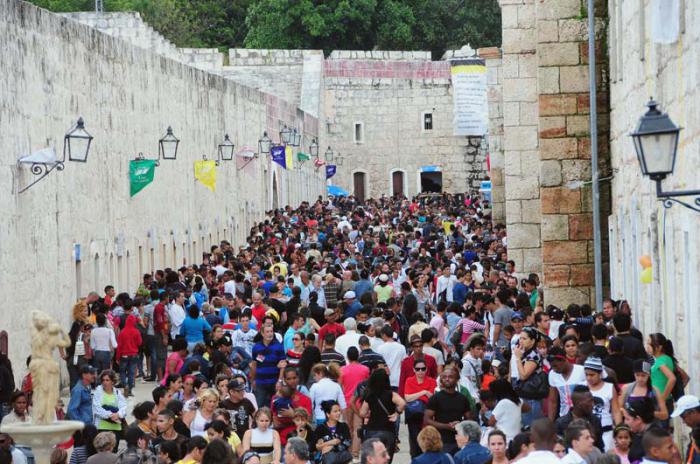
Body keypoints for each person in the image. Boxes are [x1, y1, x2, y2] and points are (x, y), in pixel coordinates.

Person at [359, 368, 406, 460]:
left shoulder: (370, 396)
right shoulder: (391, 394)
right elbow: (402, 403)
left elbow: (362, 413)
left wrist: (369, 414)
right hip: (388, 430)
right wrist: (397, 413)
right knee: (386, 459)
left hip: (372, 430)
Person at [425, 367, 472, 454]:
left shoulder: (462, 398)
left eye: (450, 377)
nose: (447, 379)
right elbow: (427, 420)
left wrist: (460, 425)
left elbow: (469, 420)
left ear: (457, 379)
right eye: (444, 377)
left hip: (460, 440)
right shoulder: (435, 398)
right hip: (441, 441)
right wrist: (446, 426)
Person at [583, 356, 621, 451]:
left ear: (600, 373)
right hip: (586, 432)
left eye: (592, 375)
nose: (588, 378)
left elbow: (616, 411)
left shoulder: (609, 387)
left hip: (606, 432)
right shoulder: (581, 386)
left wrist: (619, 429)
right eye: (586, 374)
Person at [403, 358, 438, 457]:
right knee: (414, 440)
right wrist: (424, 392)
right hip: (413, 415)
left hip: (427, 415)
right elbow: (407, 398)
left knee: (427, 439)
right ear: (413, 370)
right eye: (417, 369)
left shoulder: (432, 381)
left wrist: (417, 395)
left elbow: (432, 397)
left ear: (426, 369)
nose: (420, 371)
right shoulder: (409, 380)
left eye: (423, 369)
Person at [555, 385, 604, 452]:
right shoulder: (561, 423)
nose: (593, 404)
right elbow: (559, 448)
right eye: (589, 401)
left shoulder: (595, 420)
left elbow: (600, 446)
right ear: (578, 404)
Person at [340, 347, 369, 458]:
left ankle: (348, 450)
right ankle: (355, 453)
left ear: (347, 357)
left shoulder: (342, 370)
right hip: (359, 402)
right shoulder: (365, 369)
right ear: (358, 356)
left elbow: (341, 386)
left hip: (346, 402)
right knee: (358, 428)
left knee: (348, 428)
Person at [512, 327, 545, 427]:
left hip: (531, 397)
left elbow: (523, 375)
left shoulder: (533, 355)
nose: (521, 341)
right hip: (524, 395)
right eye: (520, 338)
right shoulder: (525, 353)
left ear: (532, 341)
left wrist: (517, 358)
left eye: (524, 339)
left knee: (530, 427)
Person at [250, 324, 286, 408]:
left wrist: (280, 381)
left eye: (271, 331)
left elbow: (283, 365)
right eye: (267, 332)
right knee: (259, 405)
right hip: (260, 382)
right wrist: (253, 380)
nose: (270, 334)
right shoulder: (256, 347)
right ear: (262, 333)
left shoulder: (278, 346)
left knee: (275, 405)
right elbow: (254, 364)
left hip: (274, 382)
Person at [547, 347, 586, 421]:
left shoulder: (581, 370)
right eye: (552, 367)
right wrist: (550, 422)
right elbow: (553, 401)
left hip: (582, 417)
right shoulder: (552, 374)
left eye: (555, 366)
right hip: (564, 417)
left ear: (564, 360)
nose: (554, 370)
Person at [92, 370, 127, 448]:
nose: (105, 382)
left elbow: (124, 407)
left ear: (112, 381)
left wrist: (118, 414)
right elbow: (96, 408)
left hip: (116, 427)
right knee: (102, 450)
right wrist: (110, 415)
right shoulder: (98, 392)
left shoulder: (117, 392)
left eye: (107, 380)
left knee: (114, 452)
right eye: (103, 380)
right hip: (102, 427)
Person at [485, 379, 521, 444]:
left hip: (505, 438)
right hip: (516, 435)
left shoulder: (503, 403)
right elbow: (528, 408)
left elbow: (490, 422)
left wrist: (483, 414)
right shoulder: (518, 401)